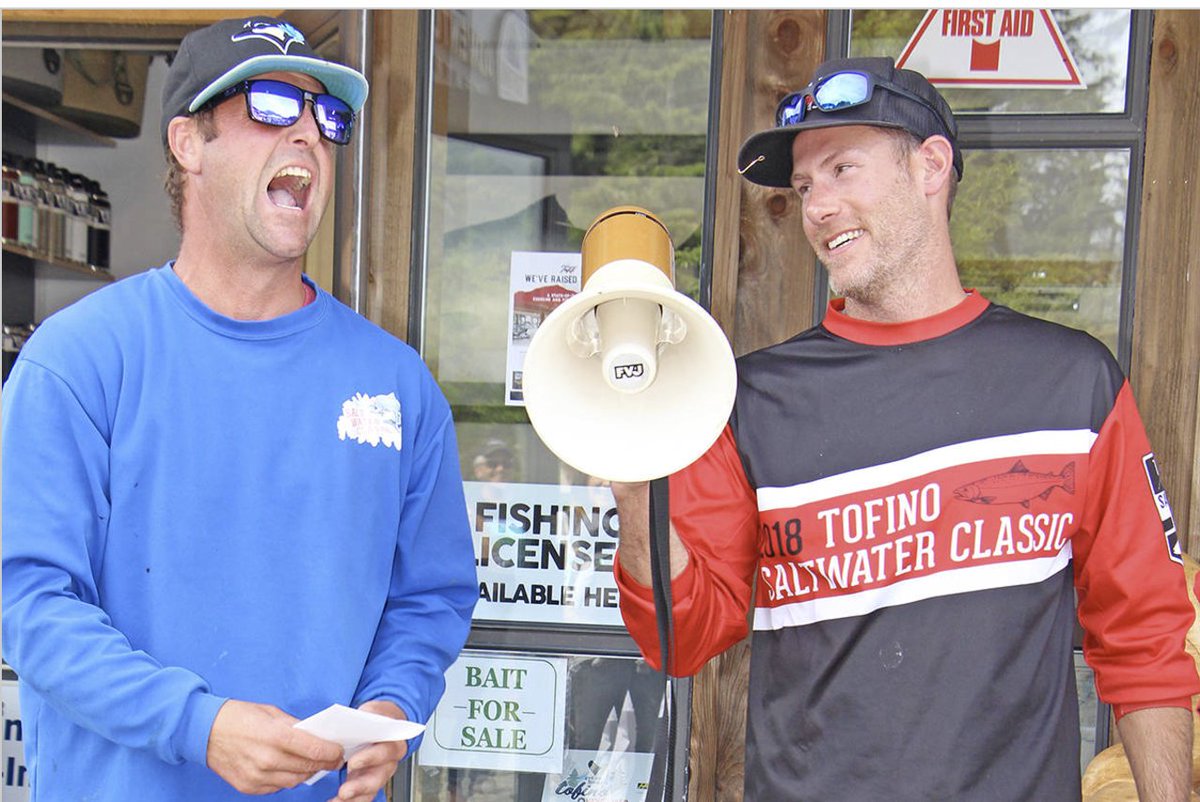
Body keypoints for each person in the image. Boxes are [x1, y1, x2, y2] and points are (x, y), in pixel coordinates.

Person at [612, 56, 1199, 801]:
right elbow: (678, 637)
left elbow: (1145, 640)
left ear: (931, 166)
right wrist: (633, 491)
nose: (818, 207)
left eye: (843, 169)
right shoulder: (748, 401)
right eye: (804, 187)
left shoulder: (1071, 384)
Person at [1, 16, 478, 802]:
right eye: (270, 105)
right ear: (188, 143)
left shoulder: (395, 382)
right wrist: (200, 725)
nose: (308, 136)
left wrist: (394, 705)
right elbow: (32, 608)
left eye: (327, 119)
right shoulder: (79, 360)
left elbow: (430, 598)